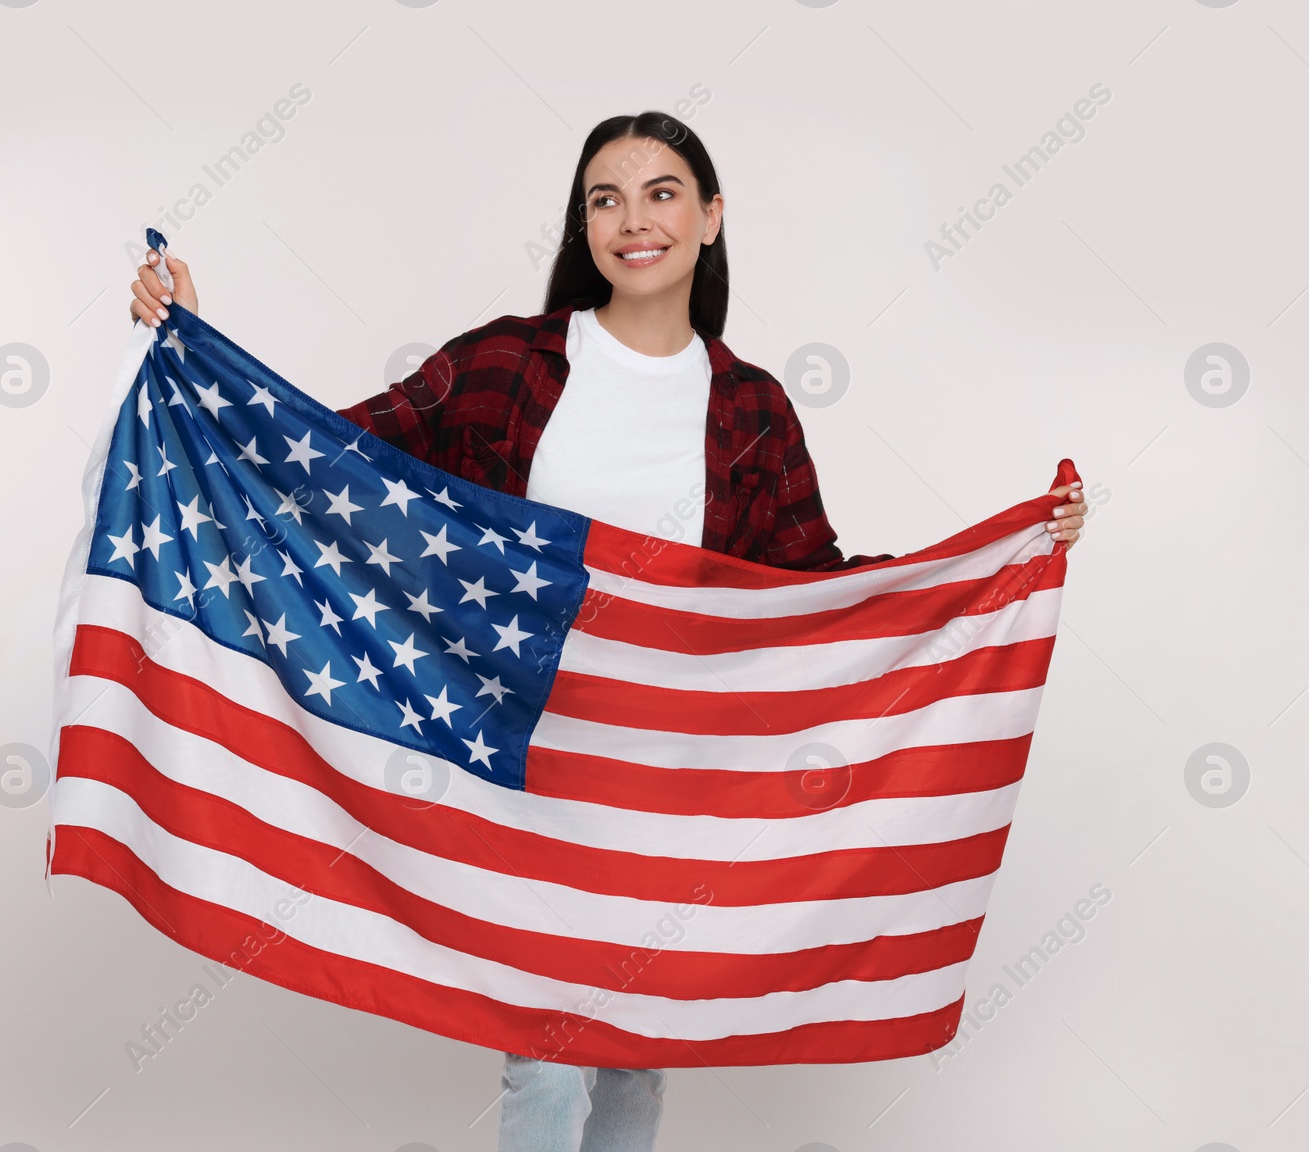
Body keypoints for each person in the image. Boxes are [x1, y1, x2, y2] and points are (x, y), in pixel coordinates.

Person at [128, 110, 1087, 1152]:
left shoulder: (752, 407)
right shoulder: (504, 365)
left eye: (662, 193)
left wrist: (997, 560)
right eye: (605, 198)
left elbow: (811, 587)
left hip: (670, 782)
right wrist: (199, 349)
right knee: (546, 1058)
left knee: (636, 1052)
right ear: (582, 227)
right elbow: (328, 462)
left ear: (711, 218)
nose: (634, 220)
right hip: (530, 763)